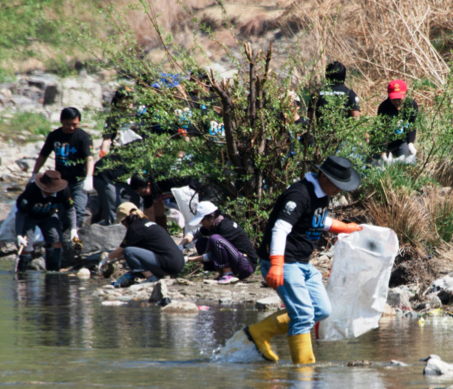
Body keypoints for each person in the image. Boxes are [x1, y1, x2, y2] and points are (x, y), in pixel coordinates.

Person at [245, 156, 362, 364]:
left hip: (302, 263)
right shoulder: (299, 194)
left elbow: (314, 218)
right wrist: (277, 265)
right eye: (338, 184)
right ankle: (304, 372)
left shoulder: (322, 193)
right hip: (285, 262)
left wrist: (342, 226)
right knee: (303, 315)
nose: (340, 190)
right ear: (324, 176)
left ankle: (260, 331)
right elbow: (280, 228)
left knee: (321, 310)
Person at [31, 107, 94, 228]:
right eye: (67, 124)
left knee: (79, 209)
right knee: (61, 211)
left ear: (79, 122)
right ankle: (62, 238)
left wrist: (89, 177)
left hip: (79, 181)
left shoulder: (84, 137)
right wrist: (34, 174)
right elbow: (43, 155)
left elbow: (89, 158)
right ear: (61, 121)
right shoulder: (55, 136)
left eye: (74, 124)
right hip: (60, 182)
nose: (71, 127)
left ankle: (76, 236)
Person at [98, 202, 185, 287]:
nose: (123, 224)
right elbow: (140, 253)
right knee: (130, 254)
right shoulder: (145, 223)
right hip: (178, 263)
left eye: (123, 221)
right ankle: (158, 276)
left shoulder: (135, 228)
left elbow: (122, 250)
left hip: (169, 264)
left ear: (128, 218)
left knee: (128, 251)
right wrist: (116, 260)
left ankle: (151, 278)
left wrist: (106, 259)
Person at [94, 87, 141, 225]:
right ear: (119, 100)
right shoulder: (114, 118)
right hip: (118, 161)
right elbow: (107, 140)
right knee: (115, 196)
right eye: (125, 99)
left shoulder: (139, 117)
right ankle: (115, 224)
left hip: (136, 159)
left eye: (130, 98)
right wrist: (104, 158)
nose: (129, 102)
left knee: (134, 195)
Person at [179, 201, 258, 283]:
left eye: (202, 220)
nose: (200, 223)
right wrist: (180, 245)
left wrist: (188, 259)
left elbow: (211, 256)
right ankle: (222, 274)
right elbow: (194, 234)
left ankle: (228, 274)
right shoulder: (215, 224)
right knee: (201, 242)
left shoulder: (225, 226)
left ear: (211, 217)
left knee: (215, 239)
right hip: (237, 262)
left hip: (246, 265)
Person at [15, 170, 78, 272]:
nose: (51, 192)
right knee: (26, 246)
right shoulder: (31, 190)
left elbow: (70, 209)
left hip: (49, 216)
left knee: (56, 239)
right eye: (49, 190)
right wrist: (19, 235)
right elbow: (20, 214)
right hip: (29, 217)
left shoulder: (63, 191)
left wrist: (73, 229)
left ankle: (53, 272)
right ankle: (21, 274)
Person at [374, 79, 418, 162]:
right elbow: (382, 132)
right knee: (376, 165)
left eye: (399, 98)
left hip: (401, 142)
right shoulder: (384, 108)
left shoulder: (411, 105)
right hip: (385, 142)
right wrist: (383, 153)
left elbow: (412, 125)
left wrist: (410, 143)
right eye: (394, 99)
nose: (397, 102)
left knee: (410, 162)